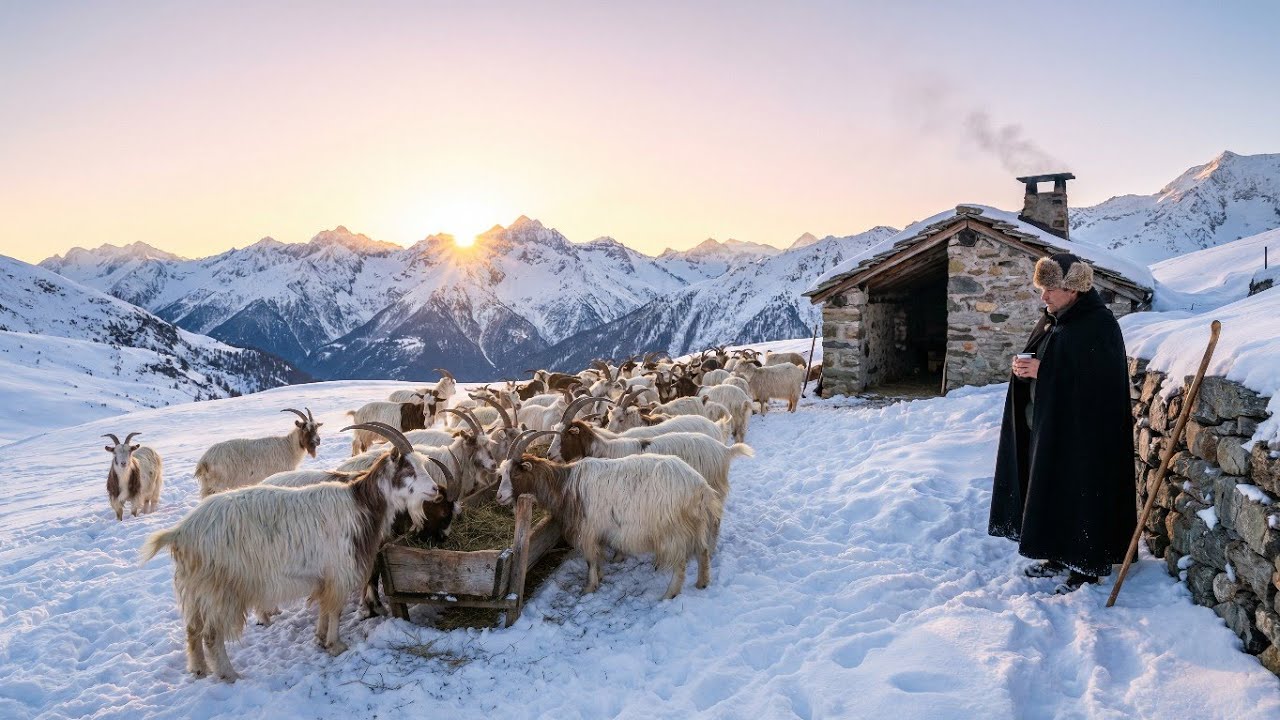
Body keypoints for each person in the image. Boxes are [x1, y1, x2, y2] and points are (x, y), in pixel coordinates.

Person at [988, 253, 1136, 594]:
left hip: (1083, 434)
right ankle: (1055, 554)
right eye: (1042, 288)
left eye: (1050, 289)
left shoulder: (1097, 325)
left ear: (1073, 288)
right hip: (1049, 426)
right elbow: (1052, 361)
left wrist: (1044, 371)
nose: (1044, 296)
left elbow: (1099, 382)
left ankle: (1085, 565)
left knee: (1079, 493)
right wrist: (1024, 369)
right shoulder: (1053, 321)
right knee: (1051, 490)